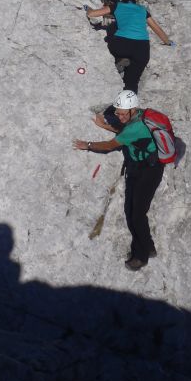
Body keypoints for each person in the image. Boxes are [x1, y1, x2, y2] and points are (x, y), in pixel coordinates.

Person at [72, 89, 164, 271]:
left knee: (137, 214)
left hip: (149, 170)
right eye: (117, 113)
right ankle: (148, 246)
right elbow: (125, 132)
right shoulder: (138, 117)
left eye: (122, 113)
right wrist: (105, 126)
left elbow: (110, 145)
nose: (119, 116)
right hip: (139, 167)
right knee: (132, 211)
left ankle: (141, 256)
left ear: (132, 109)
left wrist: (87, 145)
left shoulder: (135, 126)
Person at [86, 0, 173, 93]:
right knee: (132, 83)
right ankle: (129, 105)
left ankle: (119, 59)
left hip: (121, 45)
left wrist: (87, 8)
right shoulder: (142, 9)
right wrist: (168, 42)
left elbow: (92, 14)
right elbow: (156, 28)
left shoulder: (117, 6)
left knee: (112, 32)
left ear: (122, 1)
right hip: (141, 48)